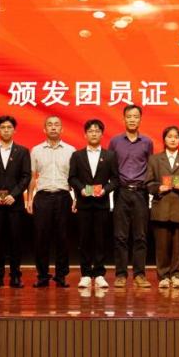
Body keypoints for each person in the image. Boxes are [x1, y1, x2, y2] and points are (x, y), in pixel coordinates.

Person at [68, 119, 119, 289]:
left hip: (101, 203)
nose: (94, 134)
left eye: (97, 131)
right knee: (84, 240)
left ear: (102, 134)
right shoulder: (77, 155)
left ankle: (99, 274)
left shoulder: (110, 155)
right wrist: (81, 189)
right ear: (85, 134)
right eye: (90, 131)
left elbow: (115, 179)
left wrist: (105, 190)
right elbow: (72, 178)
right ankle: (85, 274)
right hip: (84, 203)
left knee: (100, 240)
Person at [0, 116, 32, 289]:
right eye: (2, 127)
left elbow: (26, 176)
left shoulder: (22, 151)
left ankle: (16, 276)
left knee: (15, 240)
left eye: (9, 127)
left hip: (14, 204)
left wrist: (15, 195)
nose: (6, 130)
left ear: (14, 130)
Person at [107, 104, 154, 289]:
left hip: (141, 193)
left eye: (136, 116)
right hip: (121, 192)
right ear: (124, 119)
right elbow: (110, 167)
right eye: (129, 116)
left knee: (140, 236)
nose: (132, 119)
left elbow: (150, 167)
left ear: (140, 119)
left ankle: (140, 275)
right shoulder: (115, 141)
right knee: (120, 236)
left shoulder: (147, 142)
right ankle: (120, 275)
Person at [146, 126, 179, 289]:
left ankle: (176, 276)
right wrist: (158, 188)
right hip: (161, 206)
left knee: (178, 246)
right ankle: (163, 276)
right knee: (161, 246)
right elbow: (148, 183)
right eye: (169, 136)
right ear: (164, 139)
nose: (173, 139)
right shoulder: (154, 159)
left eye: (176, 137)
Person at [27, 115, 76, 288]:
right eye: (50, 125)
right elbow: (32, 177)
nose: (53, 127)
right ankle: (42, 275)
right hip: (43, 197)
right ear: (44, 129)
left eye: (56, 125)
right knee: (41, 237)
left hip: (63, 196)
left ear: (61, 129)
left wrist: (76, 198)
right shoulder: (36, 150)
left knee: (63, 237)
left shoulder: (71, 150)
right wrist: (29, 199)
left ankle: (61, 275)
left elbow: (74, 177)